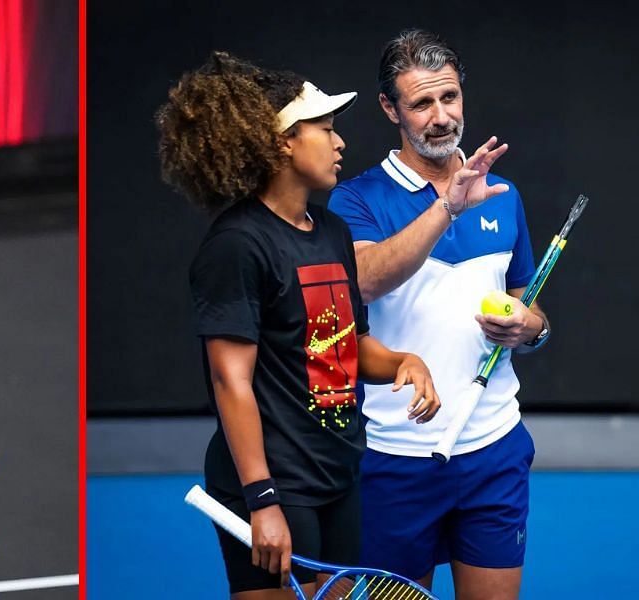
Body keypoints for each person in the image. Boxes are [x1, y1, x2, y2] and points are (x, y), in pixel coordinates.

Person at [157, 52, 440, 599]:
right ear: (283, 142)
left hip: (338, 476)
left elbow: (349, 345)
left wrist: (405, 361)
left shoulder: (332, 231)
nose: (340, 144)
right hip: (272, 486)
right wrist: (262, 500)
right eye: (326, 130)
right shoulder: (237, 246)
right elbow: (230, 381)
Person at [328, 29, 549, 600]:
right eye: (422, 103)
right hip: (397, 457)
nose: (441, 116)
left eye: (449, 97)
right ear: (389, 108)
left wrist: (534, 328)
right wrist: (447, 207)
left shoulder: (502, 192)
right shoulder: (354, 199)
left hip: (495, 447)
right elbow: (367, 279)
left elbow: (528, 302)